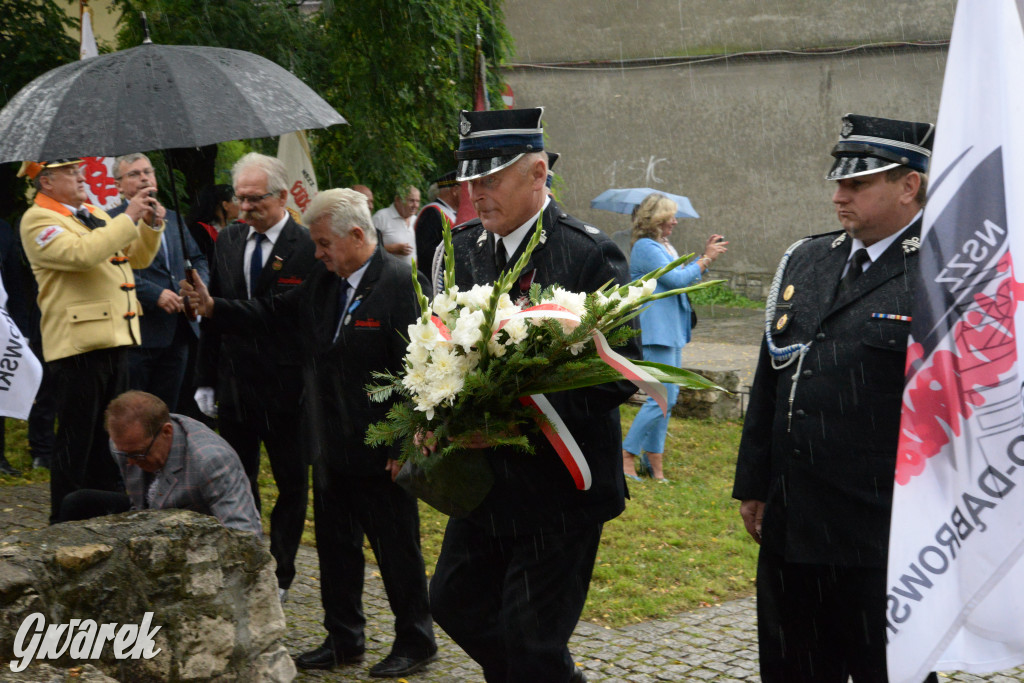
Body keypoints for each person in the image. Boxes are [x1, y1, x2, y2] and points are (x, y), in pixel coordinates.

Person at [181, 188, 437, 679]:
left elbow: (421, 370)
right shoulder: (324, 281)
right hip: (329, 443)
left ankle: (416, 640)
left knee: (396, 547)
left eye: (323, 243)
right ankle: (344, 639)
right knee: (337, 551)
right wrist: (215, 308)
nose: (316, 253)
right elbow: (275, 312)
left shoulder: (401, 282)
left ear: (357, 236)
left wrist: (408, 442)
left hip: (382, 446)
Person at [428, 107, 639, 683]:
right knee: (452, 602)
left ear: (537, 172)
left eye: (490, 179)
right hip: (485, 481)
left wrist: (518, 411)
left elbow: (623, 369)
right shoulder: (460, 248)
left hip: (561, 487)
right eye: (470, 180)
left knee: (532, 637)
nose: (476, 193)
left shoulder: (587, 254)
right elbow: (436, 343)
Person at [733, 114, 939, 682]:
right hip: (794, 524)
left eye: (857, 184)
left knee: (888, 672)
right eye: (838, 182)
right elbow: (772, 375)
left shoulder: (943, 271)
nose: (839, 196)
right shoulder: (808, 258)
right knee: (792, 669)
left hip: (884, 534)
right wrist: (754, 484)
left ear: (908, 185)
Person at [194, 152, 317, 602]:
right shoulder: (227, 240)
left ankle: (281, 573)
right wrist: (205, 378)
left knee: (290, 486)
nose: (243, 208)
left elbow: (279, 314)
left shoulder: (306, 246)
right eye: (238, 198)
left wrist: (215, 308)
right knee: (236, 482)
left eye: (254, 199)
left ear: (283, 196)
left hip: (287, 391)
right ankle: (244, 562)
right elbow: (214, 315)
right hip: (236, 387)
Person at [18, 158, 164, 522]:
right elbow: (82, 255)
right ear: (46, 182)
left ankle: (102, 510)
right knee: (75, 440)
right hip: (79, 346)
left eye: (78, 170)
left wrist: (151, 224)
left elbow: (137, 258)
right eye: (71, 172)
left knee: (109, 439)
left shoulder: (91, 212)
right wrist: (127, 216)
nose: (82, 176)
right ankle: (63, 518)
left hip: (115, 339)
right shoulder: (38, 219)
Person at [621, 193, 727, 482]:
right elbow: (677, 280)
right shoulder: (645, 247)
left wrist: (703, 257)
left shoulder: (663, 245)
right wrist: (706, 259)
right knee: (662, 397)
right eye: (671, 216)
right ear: (657, 219)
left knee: (668, 397)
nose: (675, 221)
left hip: (671, 330)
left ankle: (654, 463)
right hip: (656, 331)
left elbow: (686, 279)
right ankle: (626, 454)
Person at [57, 390, 262, 535]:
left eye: (138, 454)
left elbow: (245, 537)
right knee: (77, 503)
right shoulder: (123, 444)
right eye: (124, 454)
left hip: (198, 541)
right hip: (151, 517)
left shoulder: (212, 461)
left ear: (166, 432)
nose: (129, 463)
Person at [109, 153, 209, 413]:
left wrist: (199, 288)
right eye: (134, 174)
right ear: (118, 184)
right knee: (136, 413)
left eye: (147, 172)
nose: (143, 178)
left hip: (179, 329)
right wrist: (154, 294)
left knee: (168, 411)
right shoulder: (110, 222)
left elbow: (197, 258)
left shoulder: (173, 218)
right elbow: (112, 270)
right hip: (138, 333)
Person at [414, 171, 460, 283]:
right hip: (433, 282)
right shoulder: (431, 213)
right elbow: (427, 253)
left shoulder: (450, 213)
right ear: (454, 190)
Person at [184, 184, 239, 260]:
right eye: (235, 199)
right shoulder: (199, 231)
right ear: (225, 205)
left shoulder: (235, 229)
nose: (241, 204)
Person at [372, 184, 420, 266]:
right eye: (411, 201)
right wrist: (392, 249)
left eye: (417, 201)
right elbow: (367, 248)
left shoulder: (416, 220)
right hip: (387, 276)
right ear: (398, 200)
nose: (415, 205)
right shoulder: (381, 217)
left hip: (411, 276)